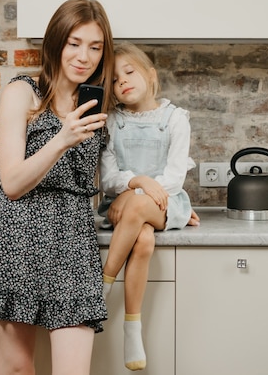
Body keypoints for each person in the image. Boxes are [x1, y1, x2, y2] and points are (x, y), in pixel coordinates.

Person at [0, 0, 115, 375]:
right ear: (55, 43)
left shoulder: (94, 105)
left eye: (95, 47)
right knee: (16, 370)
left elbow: (103, 177)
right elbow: (12, 183)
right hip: (20, 236)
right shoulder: (22, 93)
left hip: (73, 240)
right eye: (74, 43)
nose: (85, 56)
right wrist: (62, 138)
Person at [98, 41, 199, 371]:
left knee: (140, 209)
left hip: (163, 202)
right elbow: (110, 175)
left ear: (150, 75)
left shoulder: (175, 118)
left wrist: (136, 193)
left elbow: (173, 178)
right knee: (142, 240)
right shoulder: (113, 121)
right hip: (125, 207)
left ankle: (102, 288)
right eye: (113, 79)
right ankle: (132, 329)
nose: (122, 81)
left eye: (129, 72)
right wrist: (135, 185)